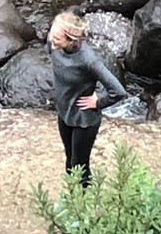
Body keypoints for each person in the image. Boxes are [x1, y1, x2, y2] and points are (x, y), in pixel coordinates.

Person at [48, 11, 127, 188]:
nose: (52, 41)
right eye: (52, 35)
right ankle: (73, 201)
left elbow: (118, 91)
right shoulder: (53, 44)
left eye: (57, 39)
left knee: (80, 166)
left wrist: (97, 103)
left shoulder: (88, 60)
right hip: (65, 113)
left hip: (84, 120)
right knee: (69, 161)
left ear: (71, 40)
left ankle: (85, 206)